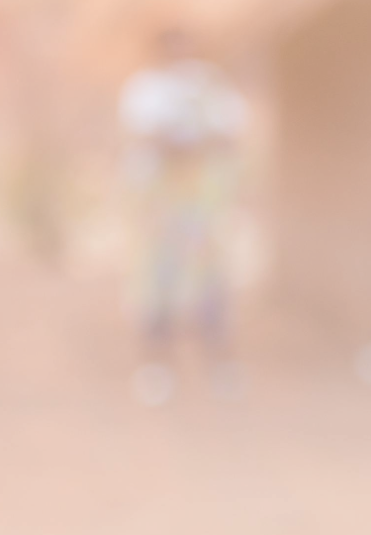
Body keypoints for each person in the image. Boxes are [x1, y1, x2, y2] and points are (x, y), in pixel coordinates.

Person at [119, 28, 248, 405]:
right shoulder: (145, 89)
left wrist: (190, 144)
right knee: (158, 283)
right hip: (161, 208)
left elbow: (231, 137)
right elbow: (151, 139)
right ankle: (156, 368)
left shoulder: (211, 85)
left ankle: (220, 367)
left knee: (210, 287)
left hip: (203, 207)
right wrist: (194, 143)